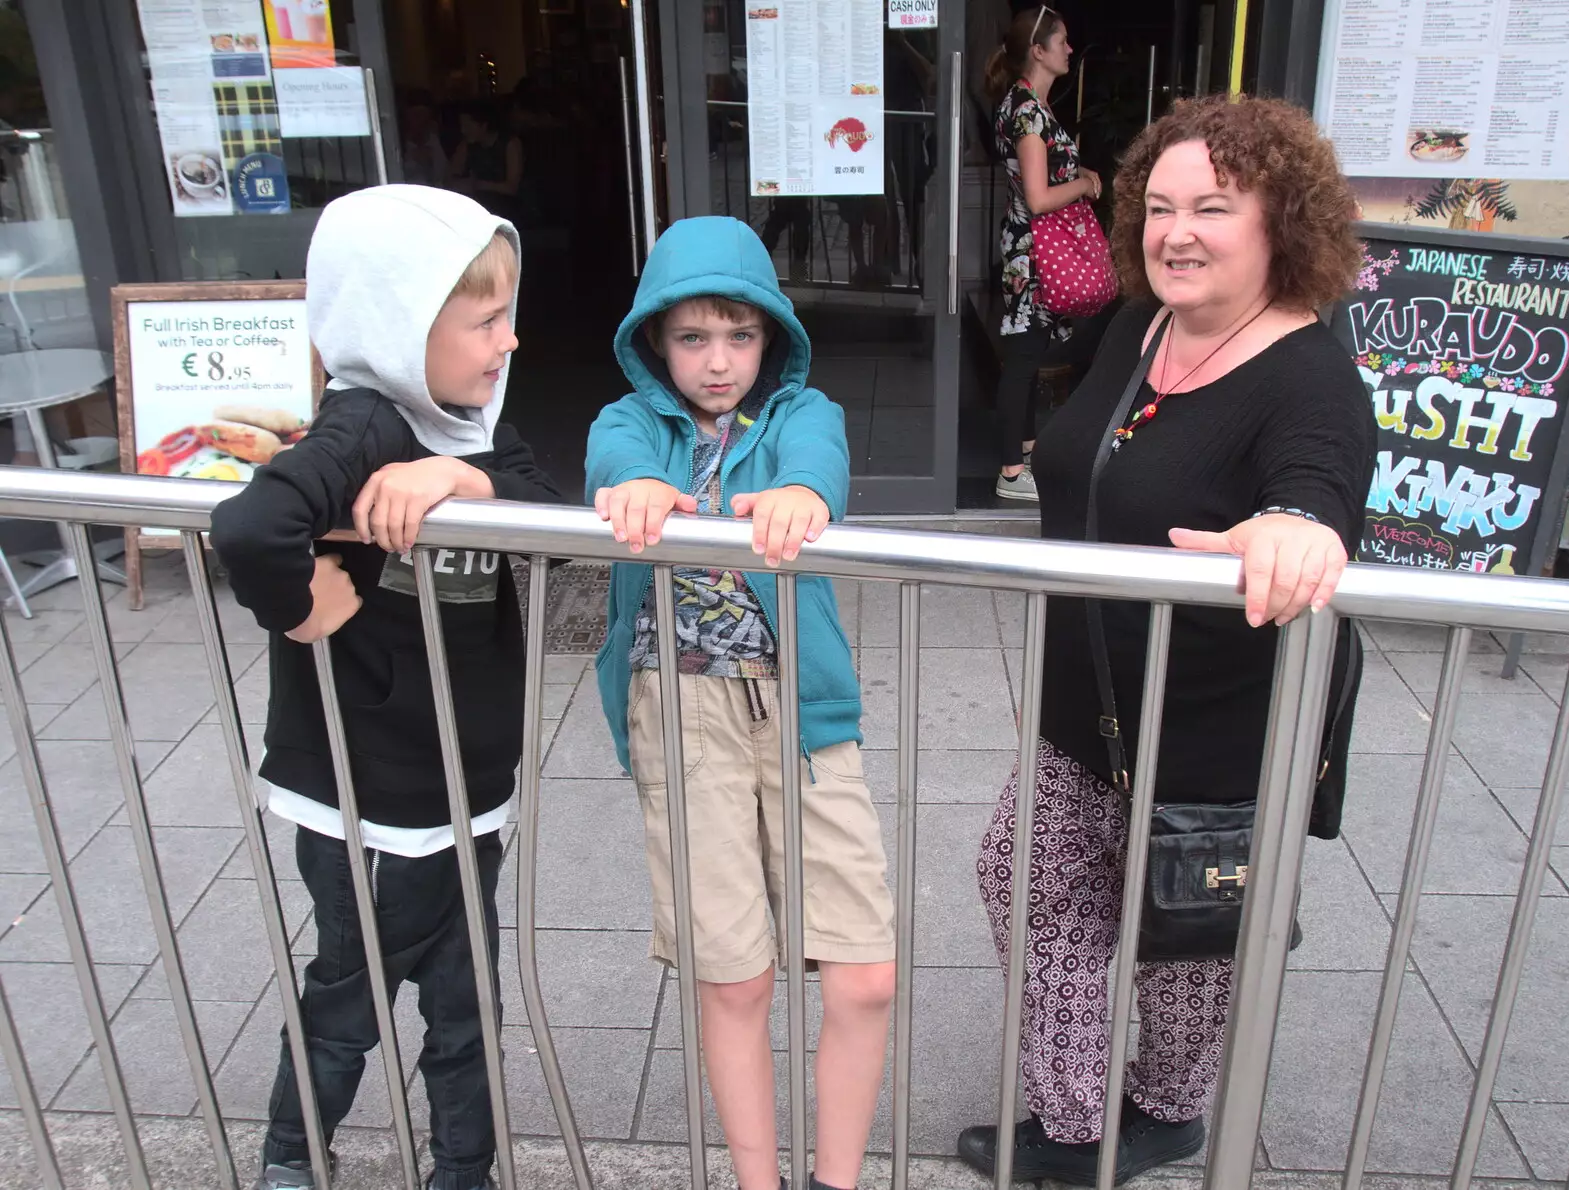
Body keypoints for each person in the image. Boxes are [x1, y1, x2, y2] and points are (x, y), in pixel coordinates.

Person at [956, 95, 1374, 1183]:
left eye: (1214, 208)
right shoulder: (1137, 326)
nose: (1175, 230)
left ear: (1282, 222)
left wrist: (1294, 527)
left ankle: (1170, 1108)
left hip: (1211, 742)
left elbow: (1316, 488)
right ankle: (1077, 1118)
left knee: (1189, 942)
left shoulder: (1313, 378)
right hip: (1079, 703)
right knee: (1026, 883)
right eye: (1160, 205)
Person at [210, 185, 563, 1190]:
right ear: (400, 324)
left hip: (464, 784)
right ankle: (292, 1152)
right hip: (360, 791)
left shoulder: (470, 428)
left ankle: (463, 1166)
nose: (510, 340)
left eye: (507, 313)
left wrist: (465, 483)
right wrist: (300, 603)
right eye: (484, 319)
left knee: (464, 1001)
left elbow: (548, 508)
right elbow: (250, 525)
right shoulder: (360, 425)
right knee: (350, 988)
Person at [586, 216, 896, 1190]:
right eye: (691, 336)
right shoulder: (631, 421)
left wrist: (803, 491)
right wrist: (632, 486)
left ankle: (834, 1183)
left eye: (740, 334)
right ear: (653, 341)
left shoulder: (801, 413)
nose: (718, 361)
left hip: (802, 711)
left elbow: (820, 460)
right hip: (680, 713)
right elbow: (610, 461)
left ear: (772, 336)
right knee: (734, 973)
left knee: (864, 971)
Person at [984, 6, 1101, 502]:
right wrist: (1084, 183)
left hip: (1028, 250)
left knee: (1026, 356)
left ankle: (1026, 452)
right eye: (1063, 40)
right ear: (1038, 50)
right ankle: (1012, 472)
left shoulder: (1024, 103)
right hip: (1034, 254)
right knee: (1023, 359)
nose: (1070, 49)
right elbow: (1037, 198)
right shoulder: (1030, 111)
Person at [450, 101, 526, 226]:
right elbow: (451, 177)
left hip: (507, 208)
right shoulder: (466, 145)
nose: (463, 130)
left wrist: (478, 184)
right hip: (476, 205)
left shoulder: (510, 144)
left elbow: (512, 187)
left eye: (468, 126)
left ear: (484, 126)